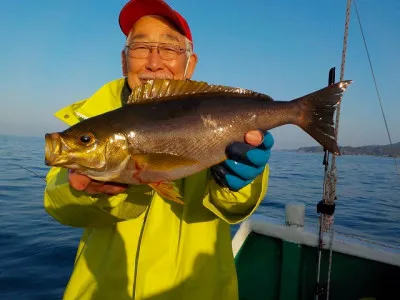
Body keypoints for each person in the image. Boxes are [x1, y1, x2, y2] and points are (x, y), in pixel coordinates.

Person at [44, 0, 274, 299]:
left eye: (169, 49)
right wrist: (84, 190)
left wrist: (239, 183)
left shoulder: (224, 122)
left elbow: (236, 208)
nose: (154, 62)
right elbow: (58, 206)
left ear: (190, 64)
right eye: (141, 48)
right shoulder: (92, 123)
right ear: (124, 60)